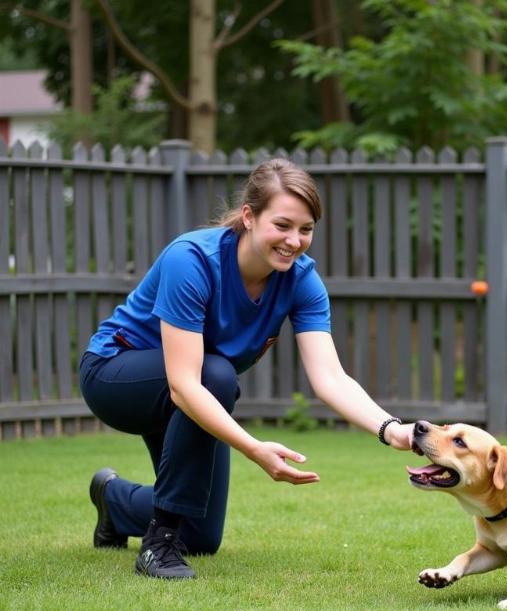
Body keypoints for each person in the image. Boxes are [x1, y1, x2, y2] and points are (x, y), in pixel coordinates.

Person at [79, 158, 414, 580]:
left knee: (200, 534)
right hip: (115, 375)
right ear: (249, 217)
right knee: (216, 374)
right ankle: (157, 547)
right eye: (283, 225)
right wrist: (253, 448)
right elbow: (184, 383)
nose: (294, 240)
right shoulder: (192, 260)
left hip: (194, 387)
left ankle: (113, 500)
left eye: (306, 229)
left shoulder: (301, 281)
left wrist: (391, 429)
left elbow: (330, 377)